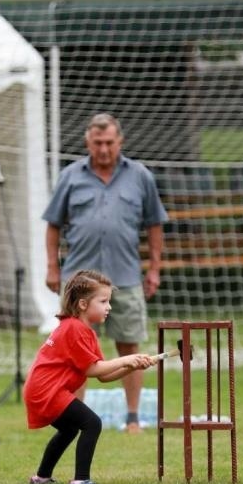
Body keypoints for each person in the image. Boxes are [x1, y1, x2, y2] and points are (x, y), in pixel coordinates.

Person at [43, 111, 168, 434]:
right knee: (75, 353)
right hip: (79, 283)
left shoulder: (140, 176)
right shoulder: (70, 176)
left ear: (120, 142)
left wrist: (154, 268)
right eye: (97, 143)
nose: (103, 149)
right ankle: (75, 419)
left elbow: (155, 224)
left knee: (129, 345)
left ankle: (132, 417)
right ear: (88, 142)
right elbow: (53, 225)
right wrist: (52, 266)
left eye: (109, 143)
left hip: (125, 277)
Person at [24, 270, 154, 484]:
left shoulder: (86, 331)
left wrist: (130, 366)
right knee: (91, 423)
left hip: (42, 390)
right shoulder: (74, 328)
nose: (109, 307)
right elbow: (94, 369)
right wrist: (126, 359)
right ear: (83, 304)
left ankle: (42, 477)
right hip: (48, 391)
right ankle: (81, 480)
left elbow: (103, 375)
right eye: (103, 301)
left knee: (70, 429)